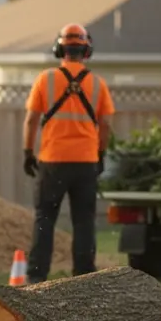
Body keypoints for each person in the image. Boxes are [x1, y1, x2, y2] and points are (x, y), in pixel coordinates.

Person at [21, 23, 115, 284]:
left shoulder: (45, 79)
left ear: (59, 49)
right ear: (87, 50)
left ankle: (36, 275)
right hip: (85, 162)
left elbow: (31, 120)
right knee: (84, 221)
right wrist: (101, 154)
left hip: (52, 161)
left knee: (45, 218)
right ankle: (83, 276)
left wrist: (28, 152)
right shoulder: (97, 84)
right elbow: (106, 125)